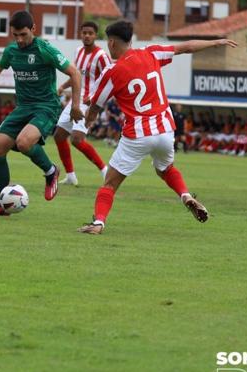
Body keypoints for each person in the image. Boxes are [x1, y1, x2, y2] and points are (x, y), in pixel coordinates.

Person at [77, 21, 237, 234]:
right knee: (166, 169)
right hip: (164, 130)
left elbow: (96, 106)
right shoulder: (151, 53)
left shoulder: (112, 70)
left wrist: (87, 120)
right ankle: (186, 195)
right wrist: (216, 41)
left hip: (138, 134)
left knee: (109, 184)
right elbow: (186, 46)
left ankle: (98, 223)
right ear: (130, 40)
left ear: (112, 42)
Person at [0, 10, 82, 216]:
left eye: (23, 35)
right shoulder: (12, 51)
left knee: (24, 142)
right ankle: (2, 204)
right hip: (23, 107)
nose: (19, 40)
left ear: (33, 30)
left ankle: (51, 171)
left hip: (46, 106)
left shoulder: (45, 49)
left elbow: (74, 72)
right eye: (15, 35)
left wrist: (75, 105)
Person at [53, 21, 110, 186]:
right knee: (59, 135)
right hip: (76, 100)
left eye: (90, 33)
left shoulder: (101, 56)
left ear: (95, 35)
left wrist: (95, 99)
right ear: (81, 34)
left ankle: (105, 171)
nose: (87, 35)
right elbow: (76, 76)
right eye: (84, 32)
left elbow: (109, 79)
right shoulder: (79, 52)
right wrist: (63, 86)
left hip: (89, 103)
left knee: (77, 139)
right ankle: (71, 176)